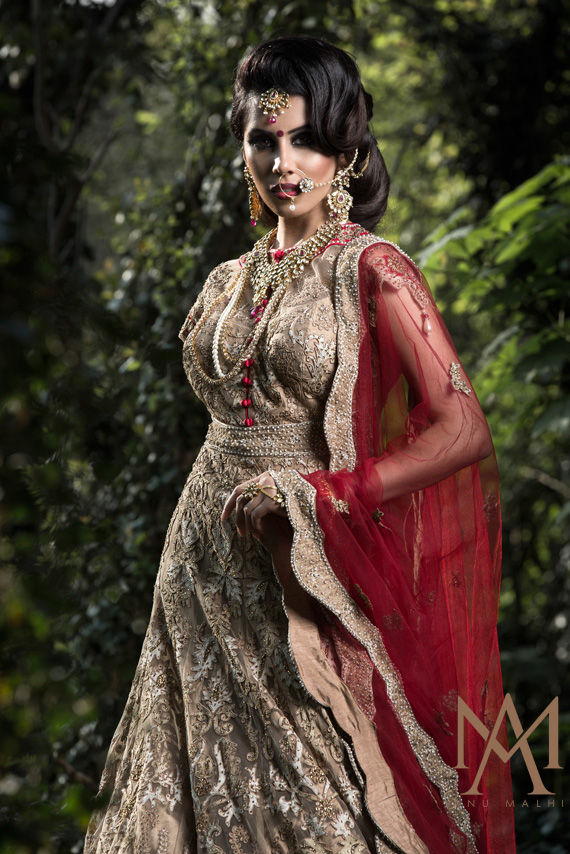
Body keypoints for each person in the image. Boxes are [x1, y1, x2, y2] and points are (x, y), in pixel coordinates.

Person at [85, 35, 516, 854]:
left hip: (302, 563)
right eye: (264, 139)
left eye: (307, 139)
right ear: (243, 145)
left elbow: (461, 427)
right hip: (200, 570)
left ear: (344, 150)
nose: (283, 163)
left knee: (322, 803)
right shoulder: (227, 280)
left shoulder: (374, 269)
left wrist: (324, 494)